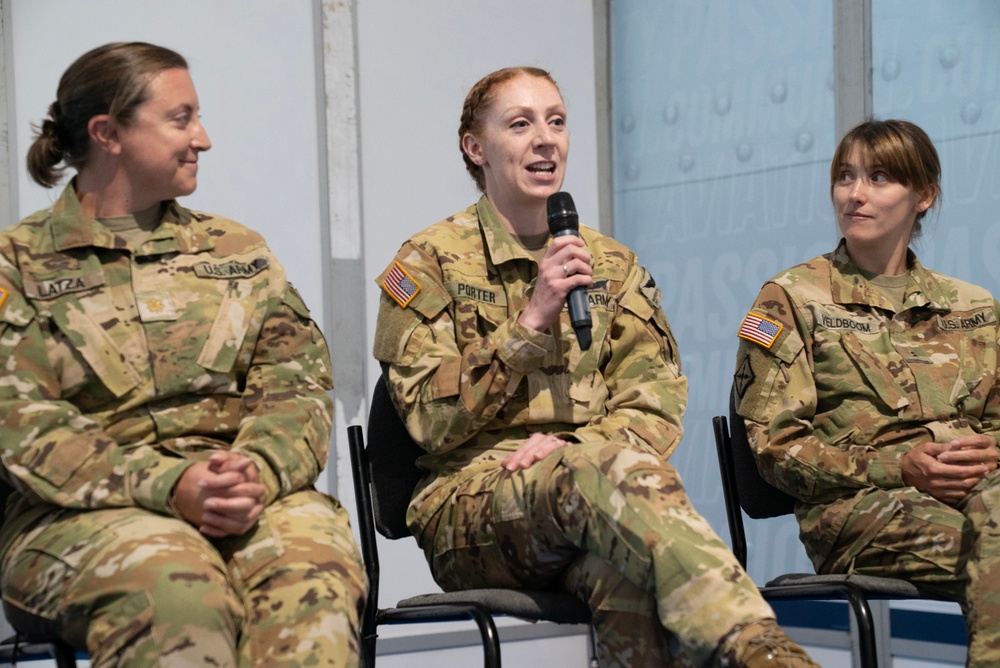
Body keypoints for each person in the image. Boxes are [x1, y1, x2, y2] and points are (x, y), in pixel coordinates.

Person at [372, 66, 818, 667]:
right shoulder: (428, 263)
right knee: (612, 473)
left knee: (630, 579)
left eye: (556, 121)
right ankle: (759, 651)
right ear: (474, 147)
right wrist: (530, 322)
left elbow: (654, 403)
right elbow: (427, 418)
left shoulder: (613, 265)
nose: (546, 138)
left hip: (590, 488)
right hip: (469, 509)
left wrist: (573, 451)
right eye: (521, 123)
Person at [0, 42, 367, 667]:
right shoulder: (21, 264)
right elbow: (25, 427)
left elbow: (296, 384)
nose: (203, 137)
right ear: (107, 133)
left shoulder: (236, 250)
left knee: (314, 570)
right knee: (176, 589)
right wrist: (171, 486)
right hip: (85, 515)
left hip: (246, 491)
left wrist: (256, 472)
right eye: (181, 118)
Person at [734, 119, 1000, 666]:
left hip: (979, 494)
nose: (855, 194)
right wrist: (900, 467)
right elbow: (774, 450)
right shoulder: (790, 299)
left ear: (923, 195)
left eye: (879, 178)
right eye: (845, 177)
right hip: (858, 513)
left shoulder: (972, 306)